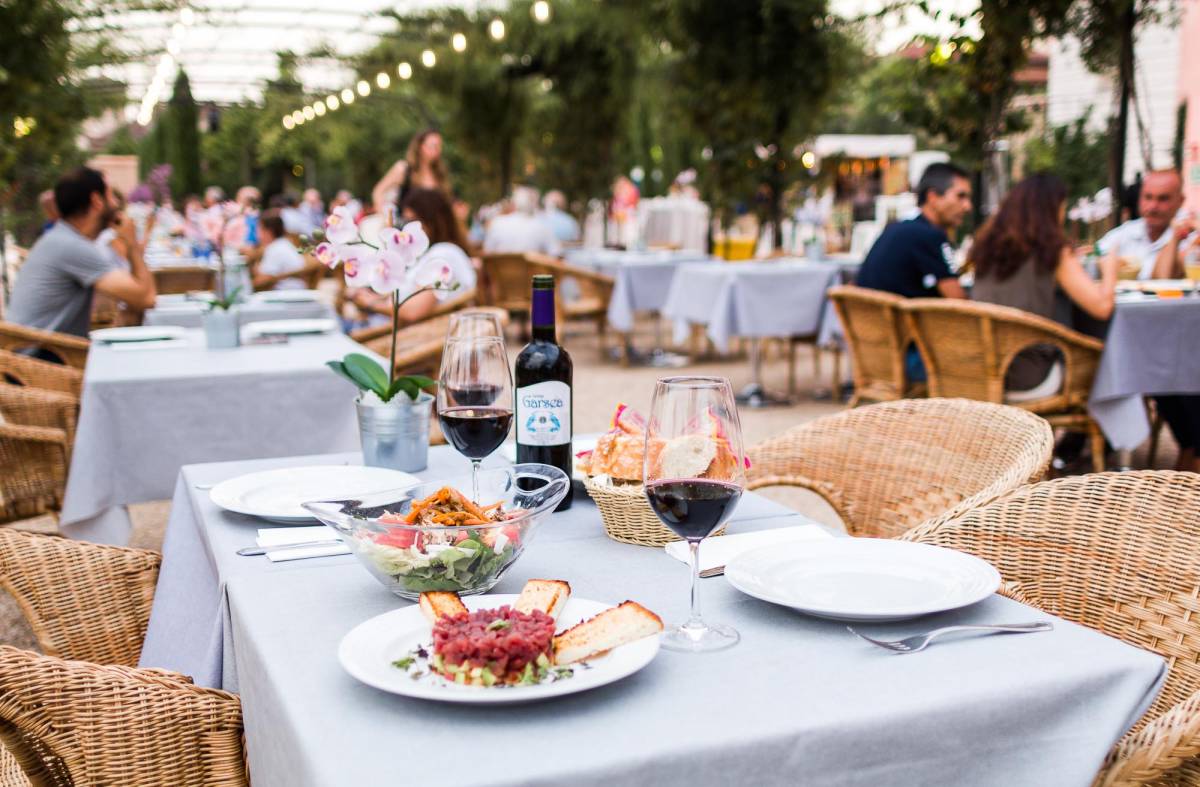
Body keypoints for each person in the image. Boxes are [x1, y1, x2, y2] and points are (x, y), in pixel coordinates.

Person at [970, 173, 1118, 401]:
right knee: (1113, 358)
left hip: (979, 372)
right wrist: (1110, 268)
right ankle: (1105, 433)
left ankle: (1079, 438)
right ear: (1051, 209)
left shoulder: (985, 248)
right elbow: (1102, 308)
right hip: (1031, 376)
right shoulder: (1053, 252)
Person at [856, 161, 972, 380]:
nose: (968, 206)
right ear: (933, 197)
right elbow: (962, 306)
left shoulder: (899, 228)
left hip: (873, 357)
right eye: (960, 196)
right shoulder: (929, 236)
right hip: (909, 361)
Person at [8, 167, 156, 338]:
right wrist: (132, 245)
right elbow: (147, 298)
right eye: (110, 196)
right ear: (96, 201)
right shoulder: (71, 246)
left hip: (42, 353)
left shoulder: (62, 238)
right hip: (44, 358)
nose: (116, 204)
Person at [348, 188, 477, 326]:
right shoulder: (433, 254)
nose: (407, 229)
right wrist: (373, 297)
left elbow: (414, 311)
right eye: (405, 222)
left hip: (395, 337)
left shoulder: (443, 255)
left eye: (413, 221)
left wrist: (370, 303)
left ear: (432, 220)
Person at [1096, 169, 1196, 280]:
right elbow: (1097, 253)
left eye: (1163, 199)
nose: (1153, 206)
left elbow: (1163, 278)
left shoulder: (1191, 236)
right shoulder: (1125, 232)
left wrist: (1175, 238)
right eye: (1148, 197)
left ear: (1180, 201)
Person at [371, 130, 450, 216]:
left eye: (439, 146)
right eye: (433, 146)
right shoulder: (404, 169)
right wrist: (384, 217)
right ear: (420, 147)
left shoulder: (439, 174)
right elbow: (378, 192)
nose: (437, 150)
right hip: (407, 226)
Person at [483, 186, 561, 256]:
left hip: (498, 271)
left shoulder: (497, 223)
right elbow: (555, 253)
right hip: (532, 271)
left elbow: (487, 251)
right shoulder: (542, 226)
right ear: (534, 204)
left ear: (514, 203)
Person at [252, 210, 306, 290]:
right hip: (297, 289)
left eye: (259, 229)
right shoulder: (284, 243)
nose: (257, 234)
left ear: (268, 232)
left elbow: (264, 280)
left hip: (286, 294)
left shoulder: (274, 249)